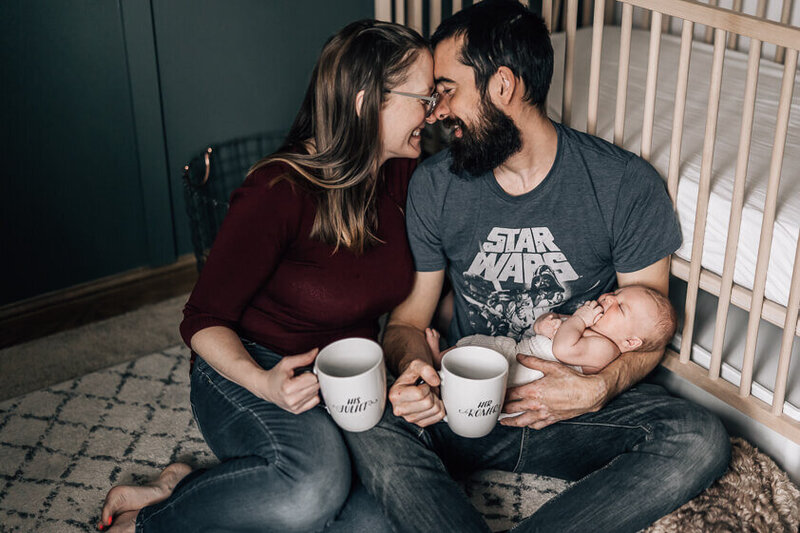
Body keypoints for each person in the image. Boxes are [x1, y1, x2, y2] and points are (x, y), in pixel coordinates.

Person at [343, 2, 731, 532]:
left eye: (448, 90)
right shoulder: (435, 186)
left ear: (502, 86)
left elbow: (650, 331)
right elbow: (409, 324)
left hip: (574, 410)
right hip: (465, 403)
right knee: (363, 416)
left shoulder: (623, 184)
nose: (435, 112)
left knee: (698, 438)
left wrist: (600, 387)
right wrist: (418, 374)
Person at [96, 19, 434, 533]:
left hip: (344, 377)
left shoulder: (408, 176)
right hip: (250, 365)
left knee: (376, 523)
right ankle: (148, 521)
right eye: (424, 99)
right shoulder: (278, 190)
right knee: (311, 488)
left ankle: (188, 483)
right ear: (368, 102)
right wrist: (264, 383)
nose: (432, 114)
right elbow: (201, 319)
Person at [429, 284, 678, 376]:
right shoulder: (589, 326)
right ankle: (444, 360)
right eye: (615, 293)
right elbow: (555, 326)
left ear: (630, 342)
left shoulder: (606, 349)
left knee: (479, 355)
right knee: (476, 347)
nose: (609, 298)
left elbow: (562, 347)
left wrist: (579, 319)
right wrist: (545, 322)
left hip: (519, 372)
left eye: (620, 307)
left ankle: (441, 361)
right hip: (516, 352)